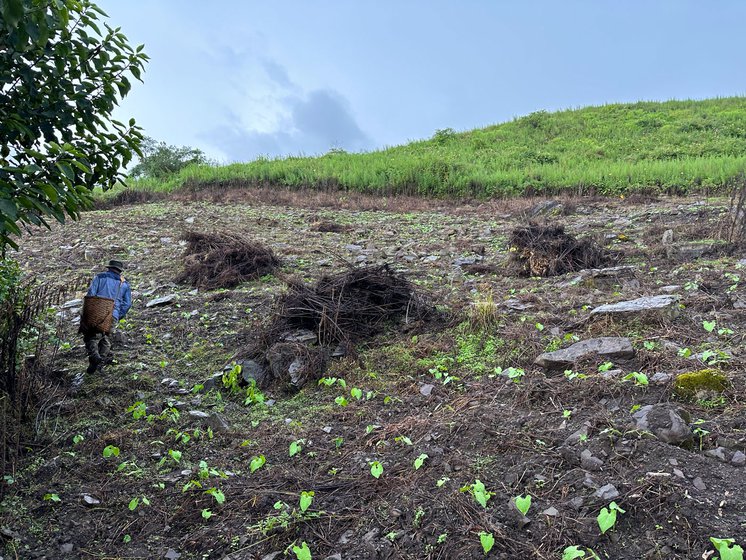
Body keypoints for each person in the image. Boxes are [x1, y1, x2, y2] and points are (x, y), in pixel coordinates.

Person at [82, 259, 132, 374]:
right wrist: (118, 314)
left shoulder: (99, 277)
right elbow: (127, 304)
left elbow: (91, 294)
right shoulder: (124, 283)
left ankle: (94, 357)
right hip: (113, 313)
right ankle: (100, 364)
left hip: (97, 311)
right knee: (106, 339)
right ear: (119, 271)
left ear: (108, 268)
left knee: (91, 336)